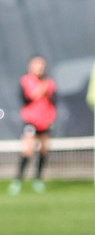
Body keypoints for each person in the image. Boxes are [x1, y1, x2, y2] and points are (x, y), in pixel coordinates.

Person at [8, 55, 57, 195]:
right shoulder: (26, 81)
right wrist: (40, 90)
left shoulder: (50, 83)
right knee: (27, 150)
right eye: (36, 64)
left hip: (45, 121)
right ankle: (17, 181)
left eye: (41, 65)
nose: (39, 67)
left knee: (43, 150)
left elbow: (54, 101)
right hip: (31, 121)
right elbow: (26, 99)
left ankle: (38, 179)